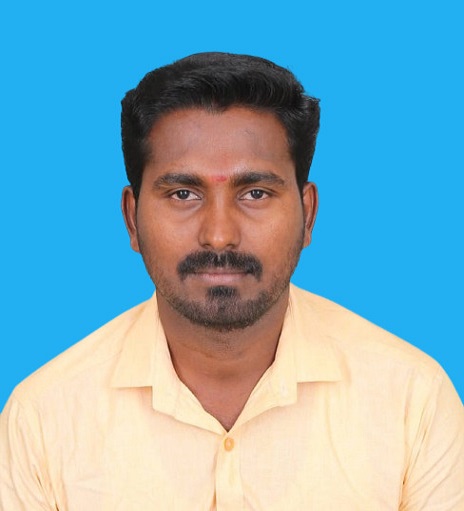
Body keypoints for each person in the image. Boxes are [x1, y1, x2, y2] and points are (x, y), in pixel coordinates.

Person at [1, 52, 463, 510]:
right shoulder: (43, 419)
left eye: (255, 193)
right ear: (131, 219)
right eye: (183, 193)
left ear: (308, 215)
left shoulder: (412, 401)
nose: (219, 234)